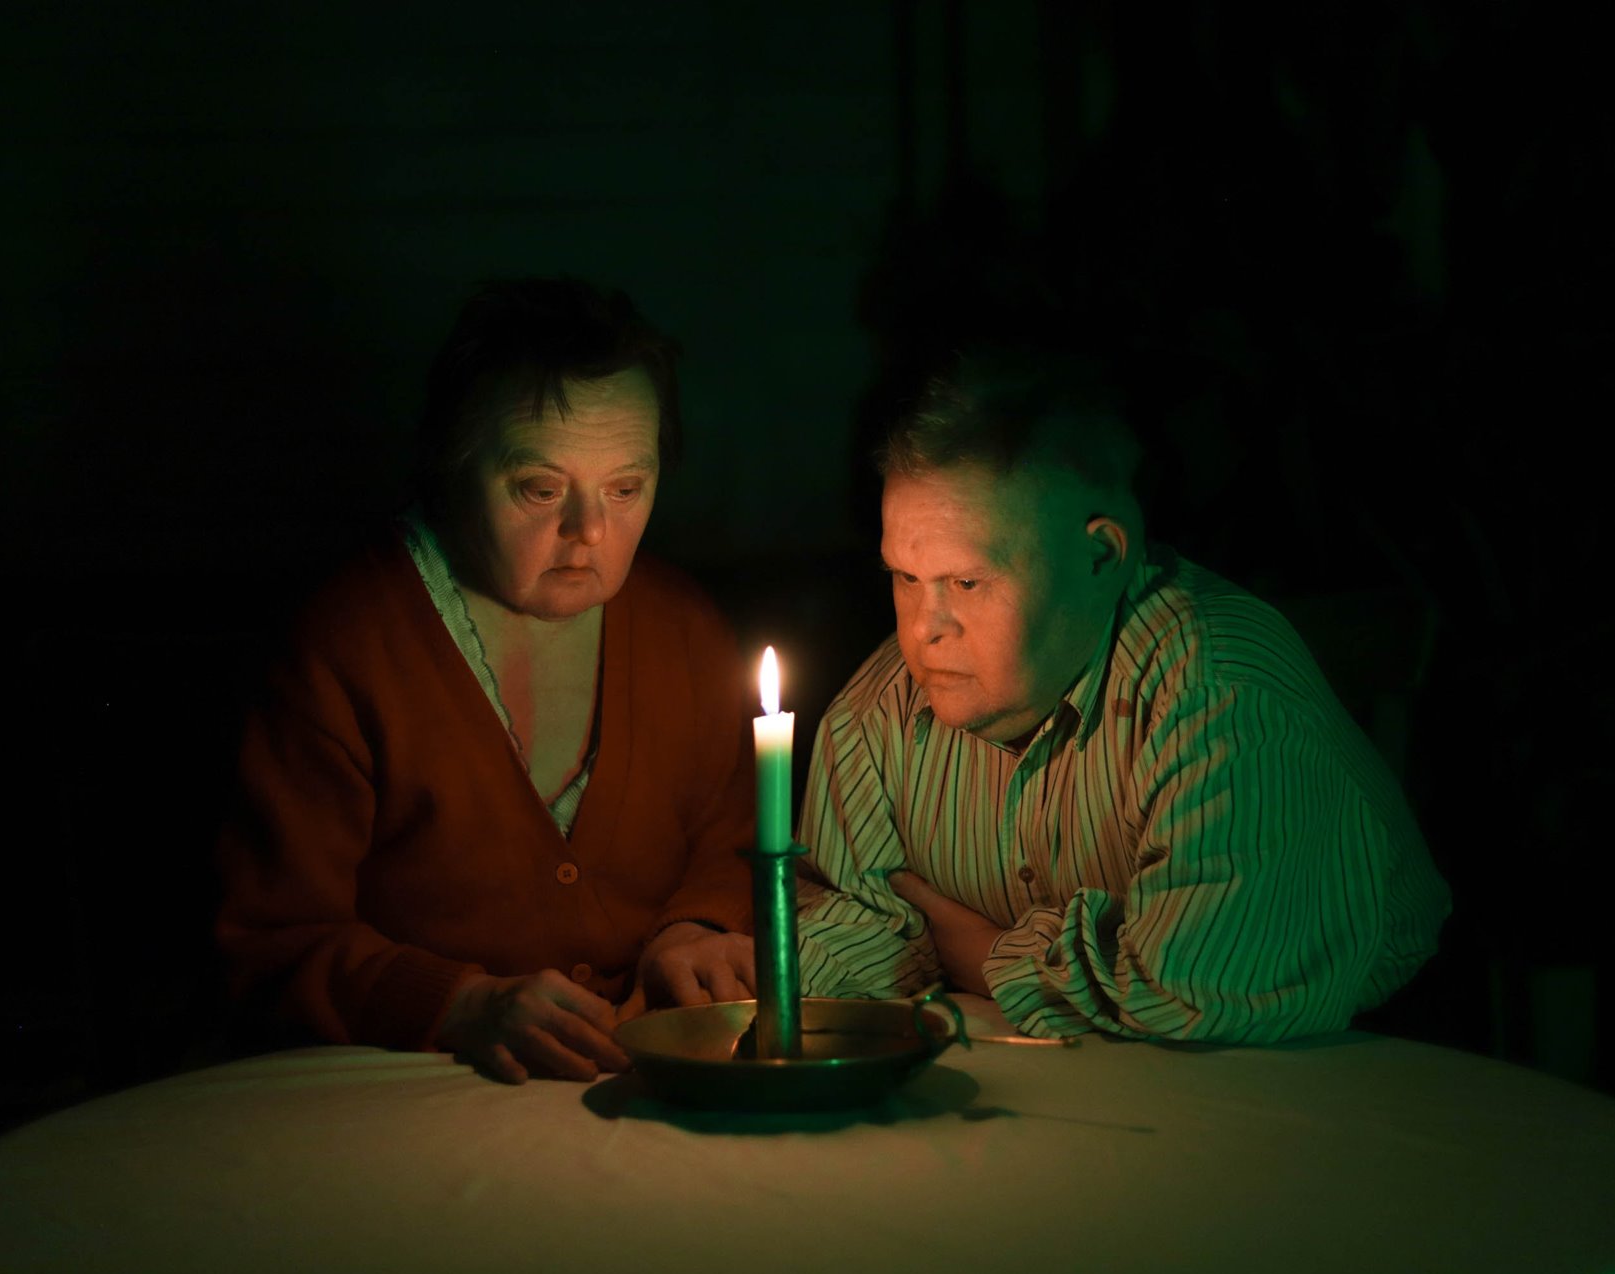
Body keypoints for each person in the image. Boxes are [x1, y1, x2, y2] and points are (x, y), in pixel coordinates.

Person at [793, 351, 1450, 1043]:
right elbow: (855, 924)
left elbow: (1195, 990)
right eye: (904, 577)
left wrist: (985, 954)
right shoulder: (879, 711)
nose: (924, 629)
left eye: (966, 584)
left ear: (1100, 558)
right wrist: (765, 965)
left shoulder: (1216, 692)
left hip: (1353, 1067)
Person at [216, 278, 757, 1082]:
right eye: (541, 489)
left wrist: (696, 929)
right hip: (404, 1097)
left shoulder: (683, 631)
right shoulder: (351, 645)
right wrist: (456, 1004)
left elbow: (733, 840)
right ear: (453, 464)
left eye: (626, 488)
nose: (590, 532)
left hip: (643, 1079)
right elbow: (272, 937)